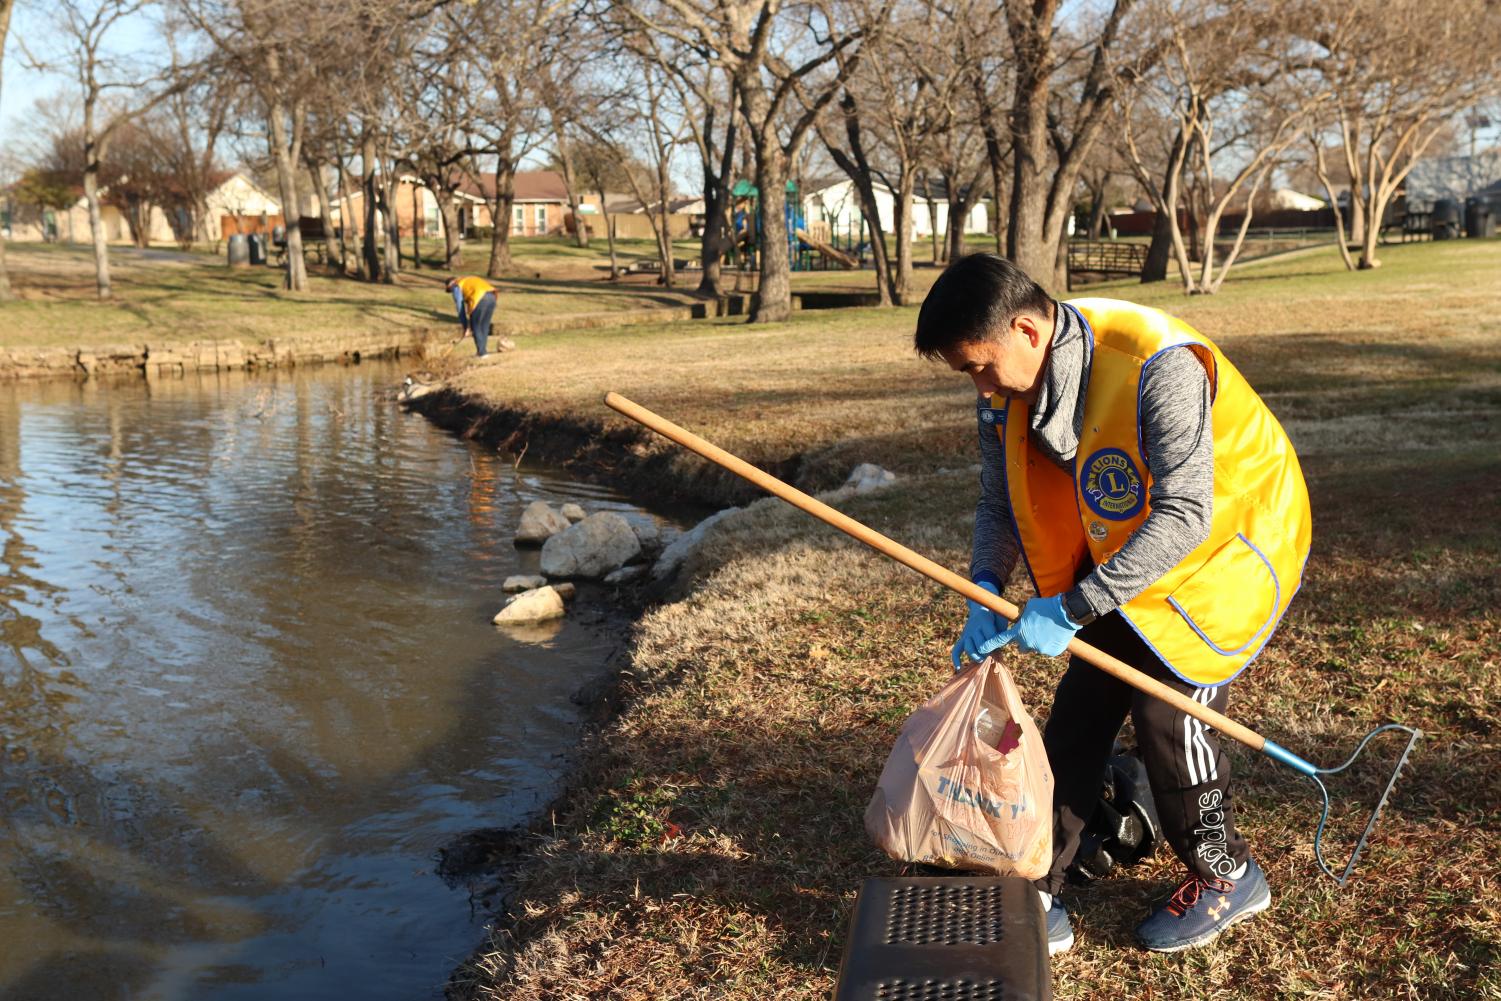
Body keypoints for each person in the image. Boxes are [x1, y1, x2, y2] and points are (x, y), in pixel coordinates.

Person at [913, 254, 1311, 956]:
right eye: (964, 373)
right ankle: (1040, 879)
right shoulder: (1004, 393)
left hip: (1228, 545)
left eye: (979, 365)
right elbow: (998, 502)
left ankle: (1228, 874)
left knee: (1166, 712)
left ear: (1025, 330)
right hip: (1124, 548)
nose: (977, 387)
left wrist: (1071, 607)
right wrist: (985, 588)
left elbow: (1186, 513)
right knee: (1081, 709)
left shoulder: (1157, 364)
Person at [445, 275, 498, 357]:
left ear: (451, 284)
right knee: (484, 325)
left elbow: (460, 307)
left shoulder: (456, 286)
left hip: (480, 298)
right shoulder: (467, 280)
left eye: (449, 290)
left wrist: (465, 326)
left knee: (475, 326)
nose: (452, 292)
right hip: (492, 296)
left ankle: (482, 353)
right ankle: (482, 351)